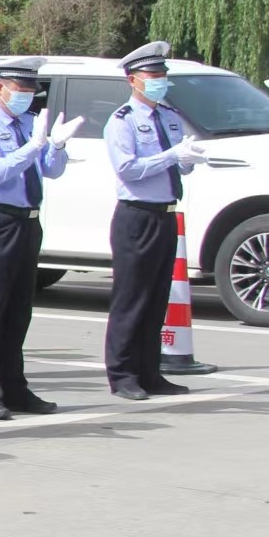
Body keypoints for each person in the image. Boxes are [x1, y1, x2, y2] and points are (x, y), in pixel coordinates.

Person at [0, 56, 76, 420]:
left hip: (27, 223)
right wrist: (31, 148)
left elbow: (51, 172)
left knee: (17, 311)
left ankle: (14, 387)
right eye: (21, 89)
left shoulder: (29, 123)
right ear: (1, 88)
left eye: (31, 91)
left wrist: (55, 147)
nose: (27, 96)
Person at [105, 41, 206, 401]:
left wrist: (188, 158)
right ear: (134, 80)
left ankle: (150, 372)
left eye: (163, 76)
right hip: (136, 216)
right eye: (153, 76)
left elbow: (178, 164)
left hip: (165, 214)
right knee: (131, 298)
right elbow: (128, 170)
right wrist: (170, 156)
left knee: (156, 299)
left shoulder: (168, 116)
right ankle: (123, 373)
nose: (160, 81)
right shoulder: (123, 121)